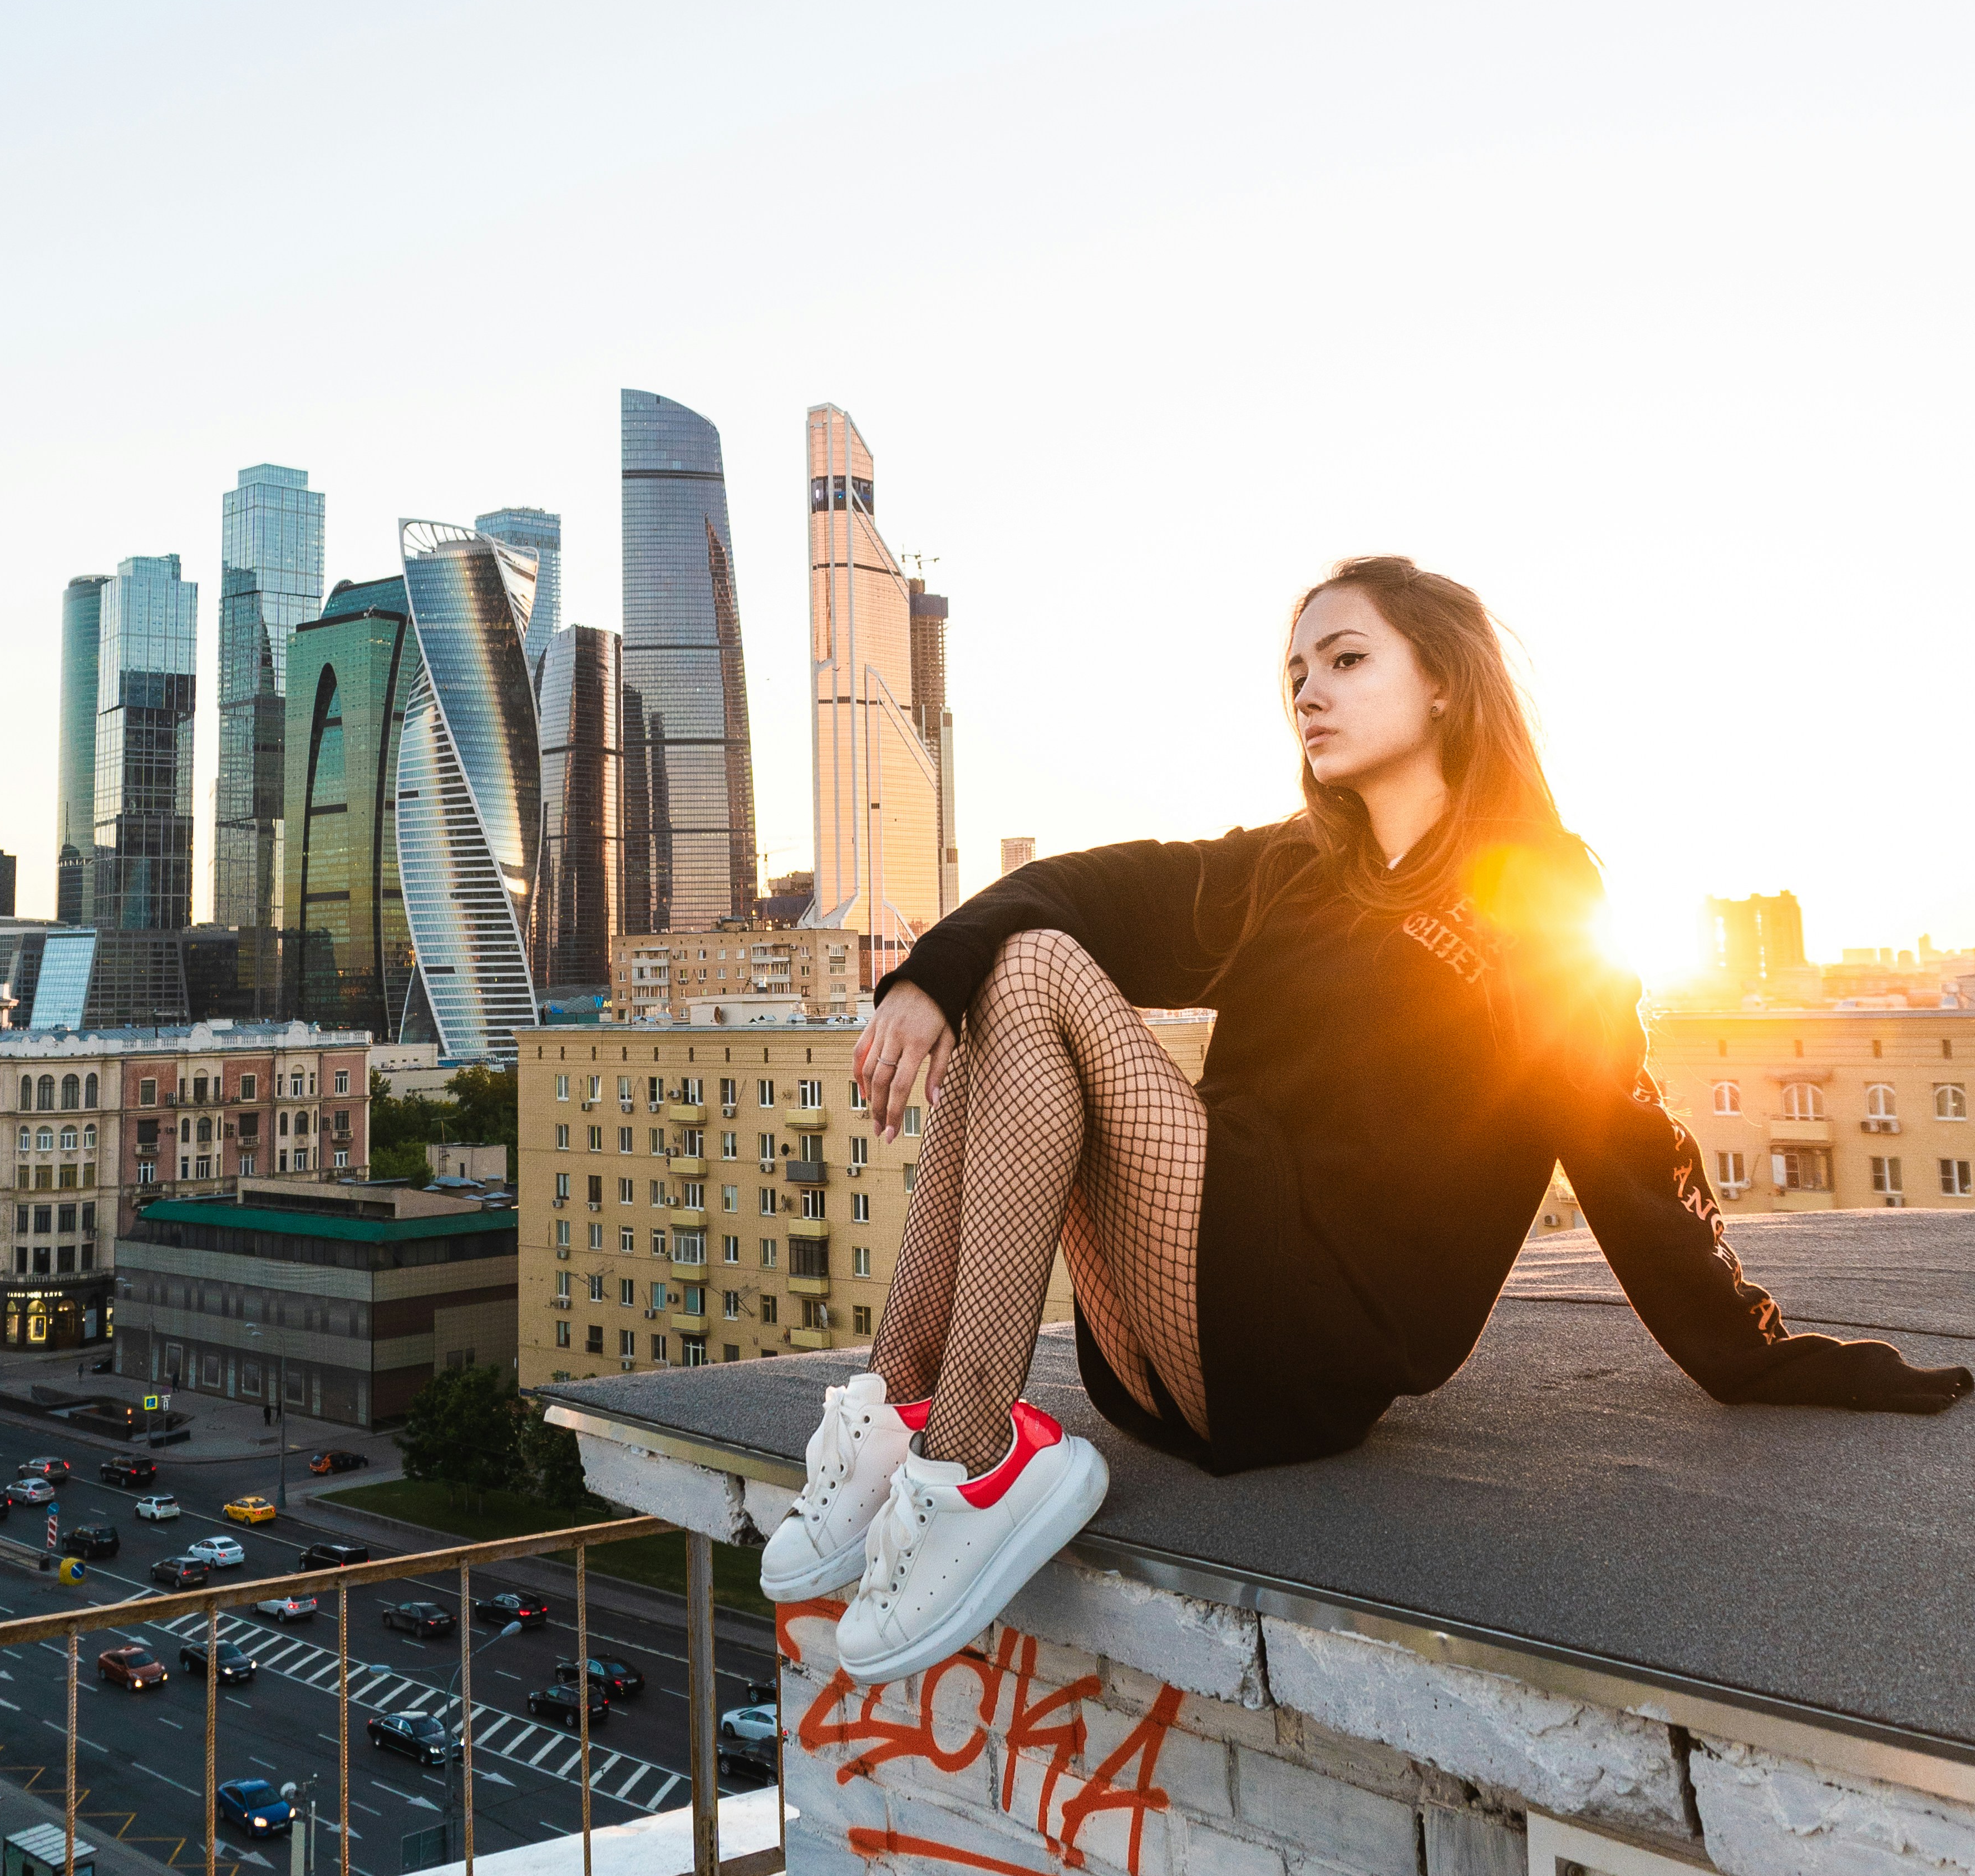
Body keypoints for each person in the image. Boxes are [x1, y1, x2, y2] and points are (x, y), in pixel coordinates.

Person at [761, 555, 1973, 1681]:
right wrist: (925, 975)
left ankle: (975, 1454)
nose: (1308, 693)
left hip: (1308, 1339)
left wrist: (1754, 1352)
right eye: (1294, 673)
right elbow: (1080, 886)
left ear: (1442, 683)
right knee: (1001, 975)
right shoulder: (1290, 870)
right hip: (1171, 1345)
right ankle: (904, 1409)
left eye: (1344, 660)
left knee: (1026, 966)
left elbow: (1617, 1130)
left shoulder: (1534, 888)